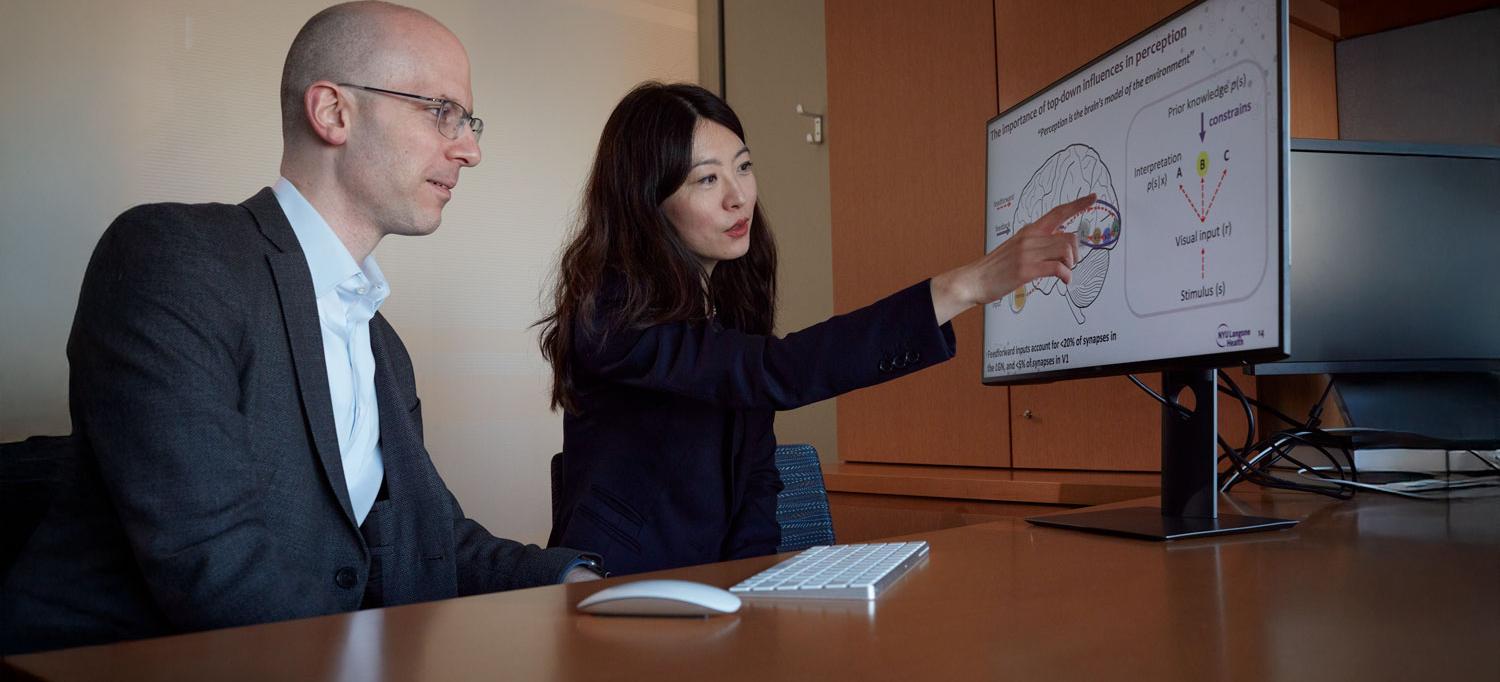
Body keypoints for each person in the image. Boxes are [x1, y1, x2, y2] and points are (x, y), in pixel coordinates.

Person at [0, 1, 600, 656]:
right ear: (334, 112)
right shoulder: (173, 259)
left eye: (469, 120)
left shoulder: (381, 346)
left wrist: (578, 581)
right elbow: (213, 568)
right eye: (442, 112)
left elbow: (431, 539)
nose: (470, 149)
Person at [539, 82, 1093, 574]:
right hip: (614, 590)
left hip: (709, 596)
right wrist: (963, 286)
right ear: (647, 203)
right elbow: (774, 372)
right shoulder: (609, 313)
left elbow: (755, 474)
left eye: (744, 166)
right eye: (707, 179)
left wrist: (754, 587)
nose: (740, 196)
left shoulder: (726, 301)